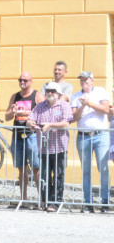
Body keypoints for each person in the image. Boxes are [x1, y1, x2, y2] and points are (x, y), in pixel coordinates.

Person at [28, 82, 73, 212]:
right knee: (44, 176)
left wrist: (50, 125)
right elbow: (30, 119)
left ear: (58, 93)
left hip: (59, 147)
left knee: (58, 176)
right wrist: (30, 123)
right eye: (48, 90)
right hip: (43, 147)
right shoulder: (40, 106)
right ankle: (45, 201)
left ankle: (55, 203)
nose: (50, 93)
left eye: (53, 91)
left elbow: (66, 123)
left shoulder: (64, 105)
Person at [71, 71, 112, 213]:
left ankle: (105, 201)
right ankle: (88, 202)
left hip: (101, 135)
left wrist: (89, 103)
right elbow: (74, 117)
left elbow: (105, 109)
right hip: (83, 136)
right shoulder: (76, 96)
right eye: (81, 80)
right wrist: (82, 106)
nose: (83, 82)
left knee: (103, 168)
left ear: (92, 81)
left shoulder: (100, 92)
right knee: (86, 170)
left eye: (86, 80)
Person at [4, 71, 43, 204]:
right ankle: (23, 198)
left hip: (32, 135)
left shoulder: (37, 95)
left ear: (31, 81)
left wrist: (26, 113)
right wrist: (13, 112)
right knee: (21, 168)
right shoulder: (15, 96)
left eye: (25, 80)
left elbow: (44, 114)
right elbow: (7, 117)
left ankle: (41, 199)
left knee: (36, 168)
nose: (22, 82)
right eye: (20, 80)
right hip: (18, 135)